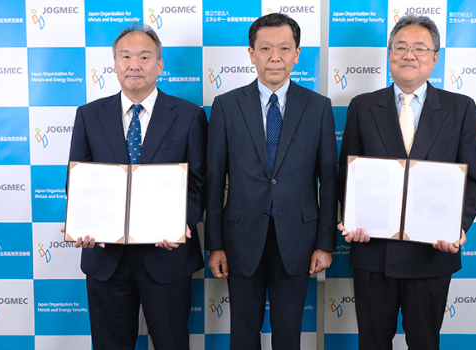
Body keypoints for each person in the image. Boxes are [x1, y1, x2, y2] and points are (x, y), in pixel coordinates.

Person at [337, 15, 476, 350]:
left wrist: (455, 227)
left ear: (434, 58)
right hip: (374, 252)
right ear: (389, 54)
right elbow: (348, 175)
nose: (409, 55)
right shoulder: (362, 107)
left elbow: (473, 181)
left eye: (420, 48)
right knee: (372, 343)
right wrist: (353, 218)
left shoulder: (460, 109)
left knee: (425, 343)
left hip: (432, 252)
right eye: (401, 47)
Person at [66, 23, 207, 350]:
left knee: (172, 343)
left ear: (159, 65)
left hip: (167, 258)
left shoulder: (188, 116)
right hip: (105, 259)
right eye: (125, 56)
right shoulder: (89, 115)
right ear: (114, 64)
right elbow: (77, 182)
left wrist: (180, 225)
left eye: (144, 57)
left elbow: (199, 184)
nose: (134, 64)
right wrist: (83, 223)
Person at [205, 13, 337, 350]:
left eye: (283, 48)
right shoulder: (226, 106)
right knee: (243, 333)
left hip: (298, 239)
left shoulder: (319, 107)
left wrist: (325, 243)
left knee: (288, 333)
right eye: (265, 48)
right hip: (240, 238)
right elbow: (215, 178)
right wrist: (215, 243)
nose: (274, 57)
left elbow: (329, 179)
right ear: (251, 54)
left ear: (297, 53)